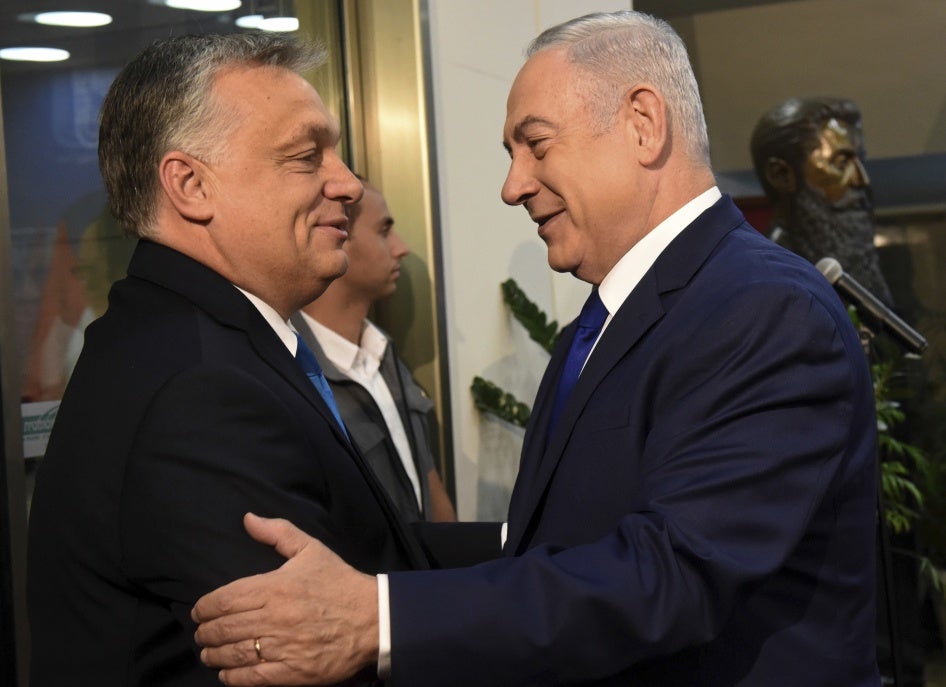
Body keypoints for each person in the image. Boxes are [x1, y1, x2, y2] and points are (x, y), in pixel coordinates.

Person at [192, 11, 880, 686]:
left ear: (643, 123)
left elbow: (672, 573)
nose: (513, 184)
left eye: (537, 145)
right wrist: (352, 547)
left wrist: (378, 618)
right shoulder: (615, 312)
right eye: (511, 155)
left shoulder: (763, 308)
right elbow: (565, 531)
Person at [26, 33, 429, 686]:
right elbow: (304, 661)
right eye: (306, 156)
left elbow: (369, 552)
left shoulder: (203, 341)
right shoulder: (200, 387)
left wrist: (530, 546)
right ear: (190, 184)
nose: (349, 184)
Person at [290, 178, 457, 523]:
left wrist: (458, 575)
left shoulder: (383, 354)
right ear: (338, 235)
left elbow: (429, 483)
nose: (402, 248)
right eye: (384, 231)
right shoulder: (295, 371)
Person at [750, 96, 893, 304]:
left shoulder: (858, 259)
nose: (862, 180)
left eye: (860, 161)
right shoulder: (769, 277)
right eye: (842, 162)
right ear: (781, 175)